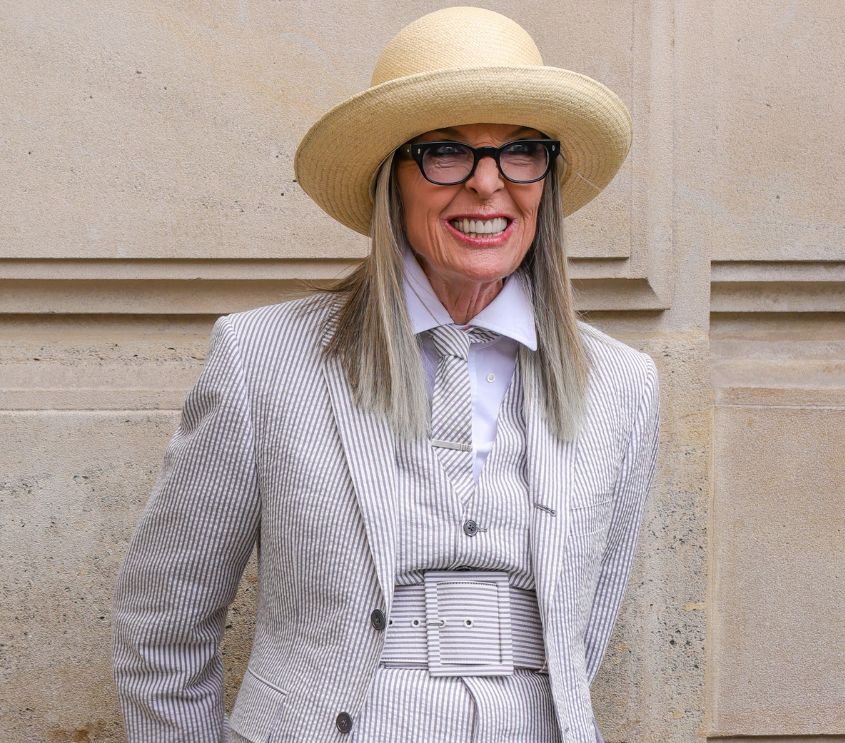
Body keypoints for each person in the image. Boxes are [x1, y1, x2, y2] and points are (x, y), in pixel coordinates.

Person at [112, 7, 660, 742]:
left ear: (546, 178)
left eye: (521, 152)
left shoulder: (621, 384)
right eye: (446, 152)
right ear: (390, 180)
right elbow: (162, 625)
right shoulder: (263, 358)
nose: (488, 185)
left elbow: (582, 634)